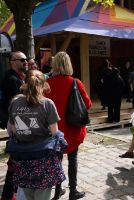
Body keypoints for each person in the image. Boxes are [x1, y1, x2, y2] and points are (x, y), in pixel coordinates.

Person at [7, 70, 66, 200]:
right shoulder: (47, 103)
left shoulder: (14, 102)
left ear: (24, 83)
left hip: (23, 158)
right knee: (42, 196)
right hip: (43, 159)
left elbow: (13, 131)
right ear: (43, 84)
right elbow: (55, 133)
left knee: (26, 193)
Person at [46, 52, 92, 200]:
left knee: (57, 160)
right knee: (73, 159)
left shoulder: (49, 83)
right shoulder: (75, 82)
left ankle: (58, 191)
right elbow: (88, 104)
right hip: (72, 128)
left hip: (54, 129)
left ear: (55, 65)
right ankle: (73, 191)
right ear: (69, 64)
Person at [1, 51, 27, 200]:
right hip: (18, 127)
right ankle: (9, 194)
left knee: (15, 161)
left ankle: (10, 194)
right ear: (12, 62)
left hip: (18, 126)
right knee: (16, 161)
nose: (25, 62)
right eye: (22, 60)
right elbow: (18, 107)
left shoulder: (17, 77)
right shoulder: (12, 79)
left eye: (26, 59)